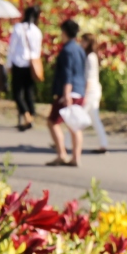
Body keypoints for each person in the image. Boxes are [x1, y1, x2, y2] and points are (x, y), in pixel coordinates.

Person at [47, 19, 87, 167]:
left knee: (52, 122)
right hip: (80, 90)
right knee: (74, 126)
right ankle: (76, 157)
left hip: (68, 92)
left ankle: (61, 154)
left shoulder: (67, 50)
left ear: (64, 32)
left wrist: (66, 93)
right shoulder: (79, 49)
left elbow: (67, 73)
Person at [7, 6, 43, 131]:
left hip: (18, 63)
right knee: (29, 92)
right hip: (31, 64)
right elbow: (37, 51)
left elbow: (11, 48)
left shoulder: (18, 27)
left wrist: (8, 64)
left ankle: (27, 116)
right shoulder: (37, 31)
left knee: (17, 93)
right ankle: (30, 116)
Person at [80, 33, 109, 154]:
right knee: (94, 119)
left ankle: (64, 143)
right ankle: (103, 144)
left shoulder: (90, 57)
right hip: (93, 91)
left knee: (78, 118)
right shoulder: (91, 56)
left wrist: (85, 95)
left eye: (83, 41)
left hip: (91, 92)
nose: (81, 44)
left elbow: (90, 78)